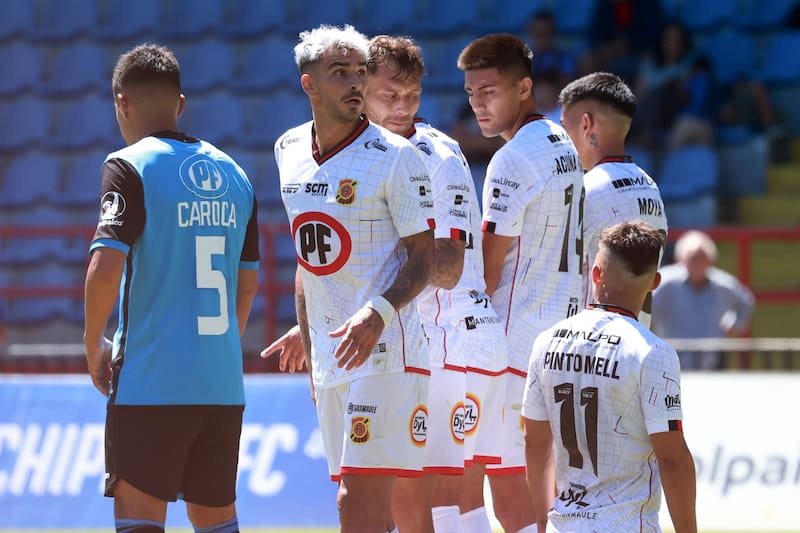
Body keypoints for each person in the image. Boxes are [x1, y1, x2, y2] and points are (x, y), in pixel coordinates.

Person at [83, 44, 260, 533]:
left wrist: (92, 342)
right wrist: (215, 346)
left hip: (151, 384)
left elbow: (104, 265)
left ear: (121, 102)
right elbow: (248, 282)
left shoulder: (128, 165)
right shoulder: (235, 175)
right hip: (221, 385)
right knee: (216, 521)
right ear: (180, 104)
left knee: (140, 521)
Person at [273, 25, 435, 533]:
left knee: (355, 503)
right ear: (308, 84)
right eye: (338, 73)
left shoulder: (396, 157)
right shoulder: (288, 149)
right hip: (332, 354)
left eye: (360, 72)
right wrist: (310, 334)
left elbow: (425, 257)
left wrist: (377, 313)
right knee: (370, 509)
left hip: (387, 350)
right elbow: (309, 256)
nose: (354, 83)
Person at [364, 35, 509, 533]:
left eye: (413, 95)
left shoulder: (431, 155)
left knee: (436, 498)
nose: (402, 107)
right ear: (362, 89)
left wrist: (372, 300)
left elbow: (447, 265)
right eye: (390, 95)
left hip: (450, 335)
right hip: (440, 334)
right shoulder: (377, 152)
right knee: (449, 500)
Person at [457, 34, 584, 533]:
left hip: (517, 341)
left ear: (525, 87)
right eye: (470, 94)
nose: (478, 105)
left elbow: (488, 272)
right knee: (549, 479)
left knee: (506, 479)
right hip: (563, 333)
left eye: (489, 91)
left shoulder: (511, 159)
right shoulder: (563, 143)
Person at [522, 220, 697, 532]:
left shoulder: (546, 341)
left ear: (596, 272)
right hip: (626, 524)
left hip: (562, 524)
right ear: (655, 282)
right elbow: (673, 460)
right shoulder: (652, 353)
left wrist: (541, 522)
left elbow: (535, 445)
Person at [558, 71, 668, 325]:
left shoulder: (584, 189)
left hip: (587, 347)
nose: (563, 140)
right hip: (637, 340)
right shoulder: (651, 187)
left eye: (565, 128)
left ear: (586, 124)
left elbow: (559, 279)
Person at [652, 230, 755, 370]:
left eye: (702, 257)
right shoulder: (665, 283)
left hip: (714, 360)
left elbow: (746, 303)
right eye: (692, 258)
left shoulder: (723, 284)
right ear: (680, 259)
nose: (697, 263)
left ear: (710, 260)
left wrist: (734, 323)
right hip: (672, 360)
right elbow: (646, 309)